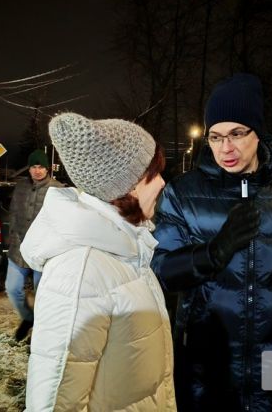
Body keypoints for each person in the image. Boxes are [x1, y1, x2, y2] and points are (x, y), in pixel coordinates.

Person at [151, 73, 272, 411]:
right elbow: (161, 271)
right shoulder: (183, 193)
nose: (225, 148)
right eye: (215, 137)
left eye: (236, 134)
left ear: (258, 132)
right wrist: (212, 253)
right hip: (207, 363)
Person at [20, 112, 176, 411]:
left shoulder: (125, 248)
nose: (162, 183)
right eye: (154, 174)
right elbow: (54, 402)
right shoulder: (81, 271)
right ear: (129, 186)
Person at [5, 149, 63, 341]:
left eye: (41, 167)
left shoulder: (58, 190)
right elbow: (13, 214)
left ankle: (40, 333)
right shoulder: (20, 187)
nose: (37, 171)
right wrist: (10, 240)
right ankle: (29, 319)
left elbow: (63, 223)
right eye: (34, 167)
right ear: (29, 169)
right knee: (13, 288)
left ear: (47, 169)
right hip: (19, 249)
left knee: (43, 295)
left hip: (44, 252)